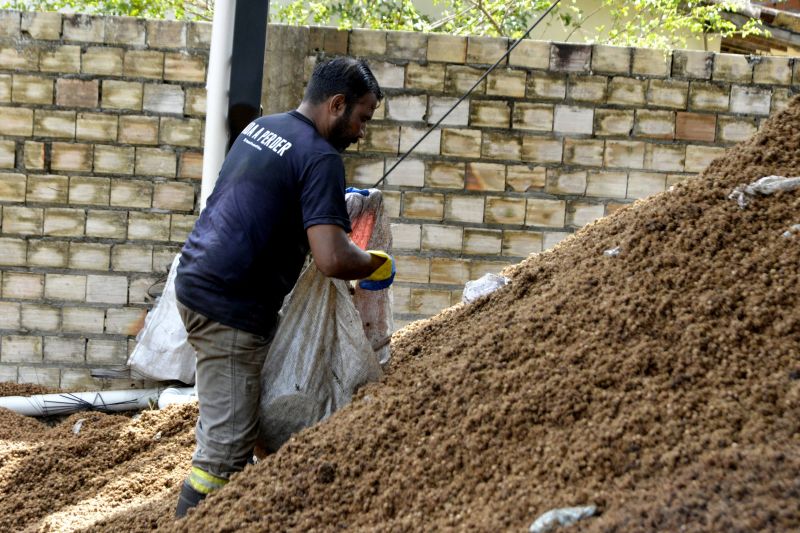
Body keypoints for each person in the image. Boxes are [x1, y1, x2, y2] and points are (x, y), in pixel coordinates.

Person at [173, 57, 394, 517]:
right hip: (228, 307)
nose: (361, 132)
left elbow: (265, 197)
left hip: (199, 277)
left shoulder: (263, 128)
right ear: (337, 104)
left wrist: (324, 201)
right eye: (362, 118)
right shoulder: (320, 158)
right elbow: (333, 259)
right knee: (224, 452)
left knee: (242, 409)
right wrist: (374, 263)